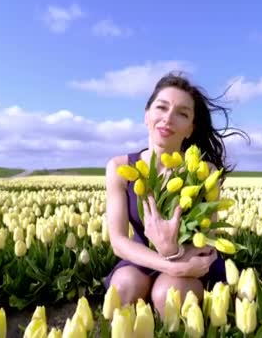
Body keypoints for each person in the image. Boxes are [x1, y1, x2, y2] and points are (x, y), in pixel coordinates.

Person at [103, 71, 249, 316]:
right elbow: (119, 242)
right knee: (124, 287)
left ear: (190, 129)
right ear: (147, 115)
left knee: (167, 294)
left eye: (182, 113)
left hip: (192, 258)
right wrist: (167, 260)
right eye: (161, 108)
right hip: (142, 257)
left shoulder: (203, 172)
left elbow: (207, 237)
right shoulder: (120, 168)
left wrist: (175, 254)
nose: (168, 119)